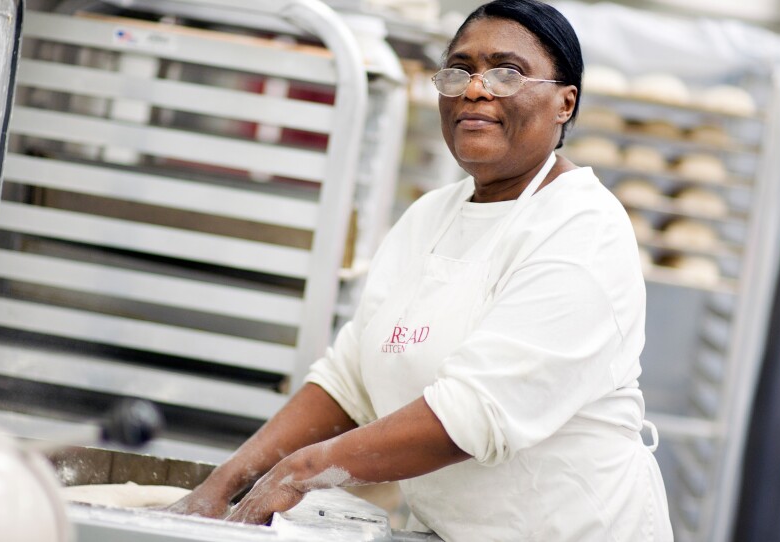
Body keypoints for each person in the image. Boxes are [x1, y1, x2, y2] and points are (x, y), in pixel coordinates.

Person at [167, 1, 673, 539]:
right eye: (459, 70)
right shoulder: (429, 217)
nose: (475, 89)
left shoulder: (582, 226)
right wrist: (223, 484)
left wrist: (302, 472)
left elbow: (473, 416)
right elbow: (349, 380)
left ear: (564, 102)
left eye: (507, 73)